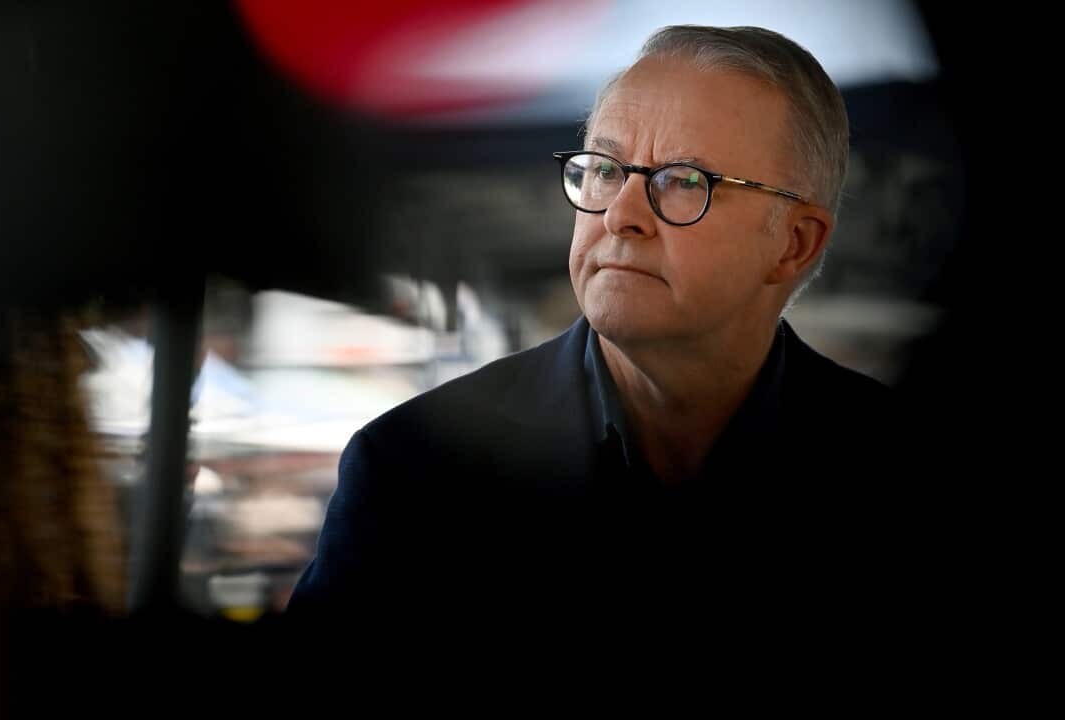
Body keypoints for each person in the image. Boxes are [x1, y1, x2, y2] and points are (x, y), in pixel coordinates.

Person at [287, 25, 919, 640]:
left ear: (793, 244)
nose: (620, 215)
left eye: (683, 181)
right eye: (605, 170)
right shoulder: (411, 475)